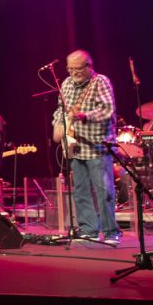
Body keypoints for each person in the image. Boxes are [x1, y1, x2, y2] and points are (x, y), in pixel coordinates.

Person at [52, 49, 121, 243]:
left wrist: (85, 116)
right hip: (75, 146)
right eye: (70, 69)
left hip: (97, 146)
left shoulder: (100, 82)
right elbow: (60, 109)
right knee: (80, 190)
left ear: (89, 66)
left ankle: (111, 232)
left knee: (104, 191)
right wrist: (57, 125)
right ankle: (88, 229)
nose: (73, 73)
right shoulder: (66, 84)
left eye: (78, 69)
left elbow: (108, 109)